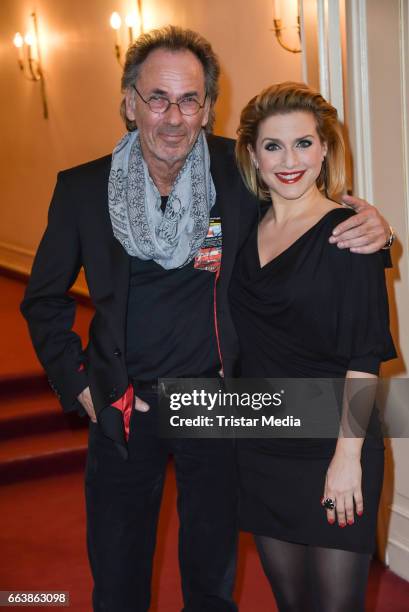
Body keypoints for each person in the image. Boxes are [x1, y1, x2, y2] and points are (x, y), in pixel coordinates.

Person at [20, 26, 392, 612]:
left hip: (219, 408)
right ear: (129, 102)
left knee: (211, 580)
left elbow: (305, 203)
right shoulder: (83, 191)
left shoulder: (236, 173)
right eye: (158, 98)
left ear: (207, 107)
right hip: (125, 406)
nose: (173, 117)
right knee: (118, 582)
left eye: (189, 99)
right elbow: (43, 299)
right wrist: (83, 387)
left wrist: (375, 222)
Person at [229, 82, 397, 612]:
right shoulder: (239, 230)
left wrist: (347, 459)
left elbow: (364, 356)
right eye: (273, 146)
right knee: (291, 603)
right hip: (260, 440)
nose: (289, 160)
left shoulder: (351, 233)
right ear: (253, 156)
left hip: (334, 444)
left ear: (325, 148)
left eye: (303, 143)